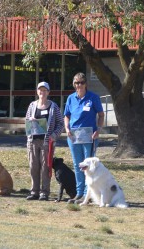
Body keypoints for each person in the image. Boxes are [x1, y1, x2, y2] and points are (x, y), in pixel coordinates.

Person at [64, 72, 104, 203]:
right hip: (74, 136)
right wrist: (67, 128)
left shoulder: (93, 97)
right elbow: (67, 116)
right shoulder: (70, 98)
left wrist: (98, 130)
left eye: (81, 82)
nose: (79, 85)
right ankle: (79, 192)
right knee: (77, 164)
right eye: (76, 83)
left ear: (86, 84)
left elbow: (101, 115)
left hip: (89, 136)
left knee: (89, 165)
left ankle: (89, 193)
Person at [25, 82, 64, 201]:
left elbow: (60, 123)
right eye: (40, 90)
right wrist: (30, 120)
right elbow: (26, 120)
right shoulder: (32, 105)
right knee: (33, 166)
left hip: (47, 142)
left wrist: (54, 135)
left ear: (48, 92)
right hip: (33, 141)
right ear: (37, 92)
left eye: (44, 90)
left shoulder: (53, 106)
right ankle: (34, 191)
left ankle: (44, 192)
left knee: (45, 167)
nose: (42, 93)